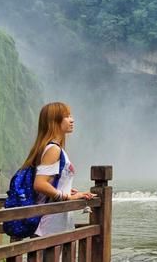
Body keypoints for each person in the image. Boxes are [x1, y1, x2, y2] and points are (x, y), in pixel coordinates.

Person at [20, 101, 95, 237]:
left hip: (55, 224)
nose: (72, 120)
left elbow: (49, 181)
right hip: (49, 225)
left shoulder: (53, 148)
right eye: (67, 116)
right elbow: (40, 184)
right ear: (54, 121)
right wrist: (67, 197)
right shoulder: (53, 149)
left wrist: (64, 188)